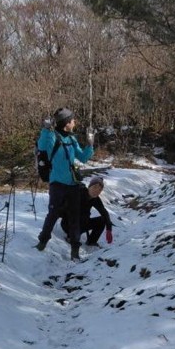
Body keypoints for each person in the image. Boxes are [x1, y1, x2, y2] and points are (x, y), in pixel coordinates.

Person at [35, 107, 94, 260]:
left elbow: (83, 157)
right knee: (53, 214)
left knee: (74, 217)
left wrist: (90, 144)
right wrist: (46, 130)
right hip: (57, 184)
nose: (75, 122)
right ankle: (42, 242)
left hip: (73, 184)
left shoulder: (71, 139)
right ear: (66, 123)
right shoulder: (52, 137)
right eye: (73, 120)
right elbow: (42, 146)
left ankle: (75, 250)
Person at [60, 175, 113, 247]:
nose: (97, 191)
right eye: (95, 187)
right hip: (69, 224)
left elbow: (104, 212)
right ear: (89, 187)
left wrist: (109, 229)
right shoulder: (79, 193)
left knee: (102, 220)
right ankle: (71, 237)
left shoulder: (95, 199)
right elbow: (63, 207)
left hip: (82, 225)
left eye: (100, 190)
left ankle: (91, 242)